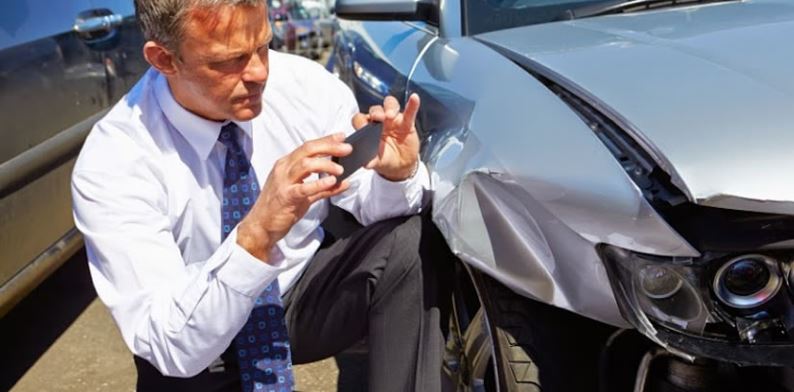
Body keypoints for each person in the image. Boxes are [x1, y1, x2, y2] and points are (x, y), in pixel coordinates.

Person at [71, 0, 454, 391]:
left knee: (410, 241)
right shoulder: (115, 160)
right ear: (164, 60)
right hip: (195, 333)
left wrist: (394, 175)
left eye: (262, 46)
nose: (259, 73)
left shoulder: (304, 86)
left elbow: (369, 203)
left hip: (297, 298)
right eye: (229, 61)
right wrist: (255, 234)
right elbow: (168, 344)